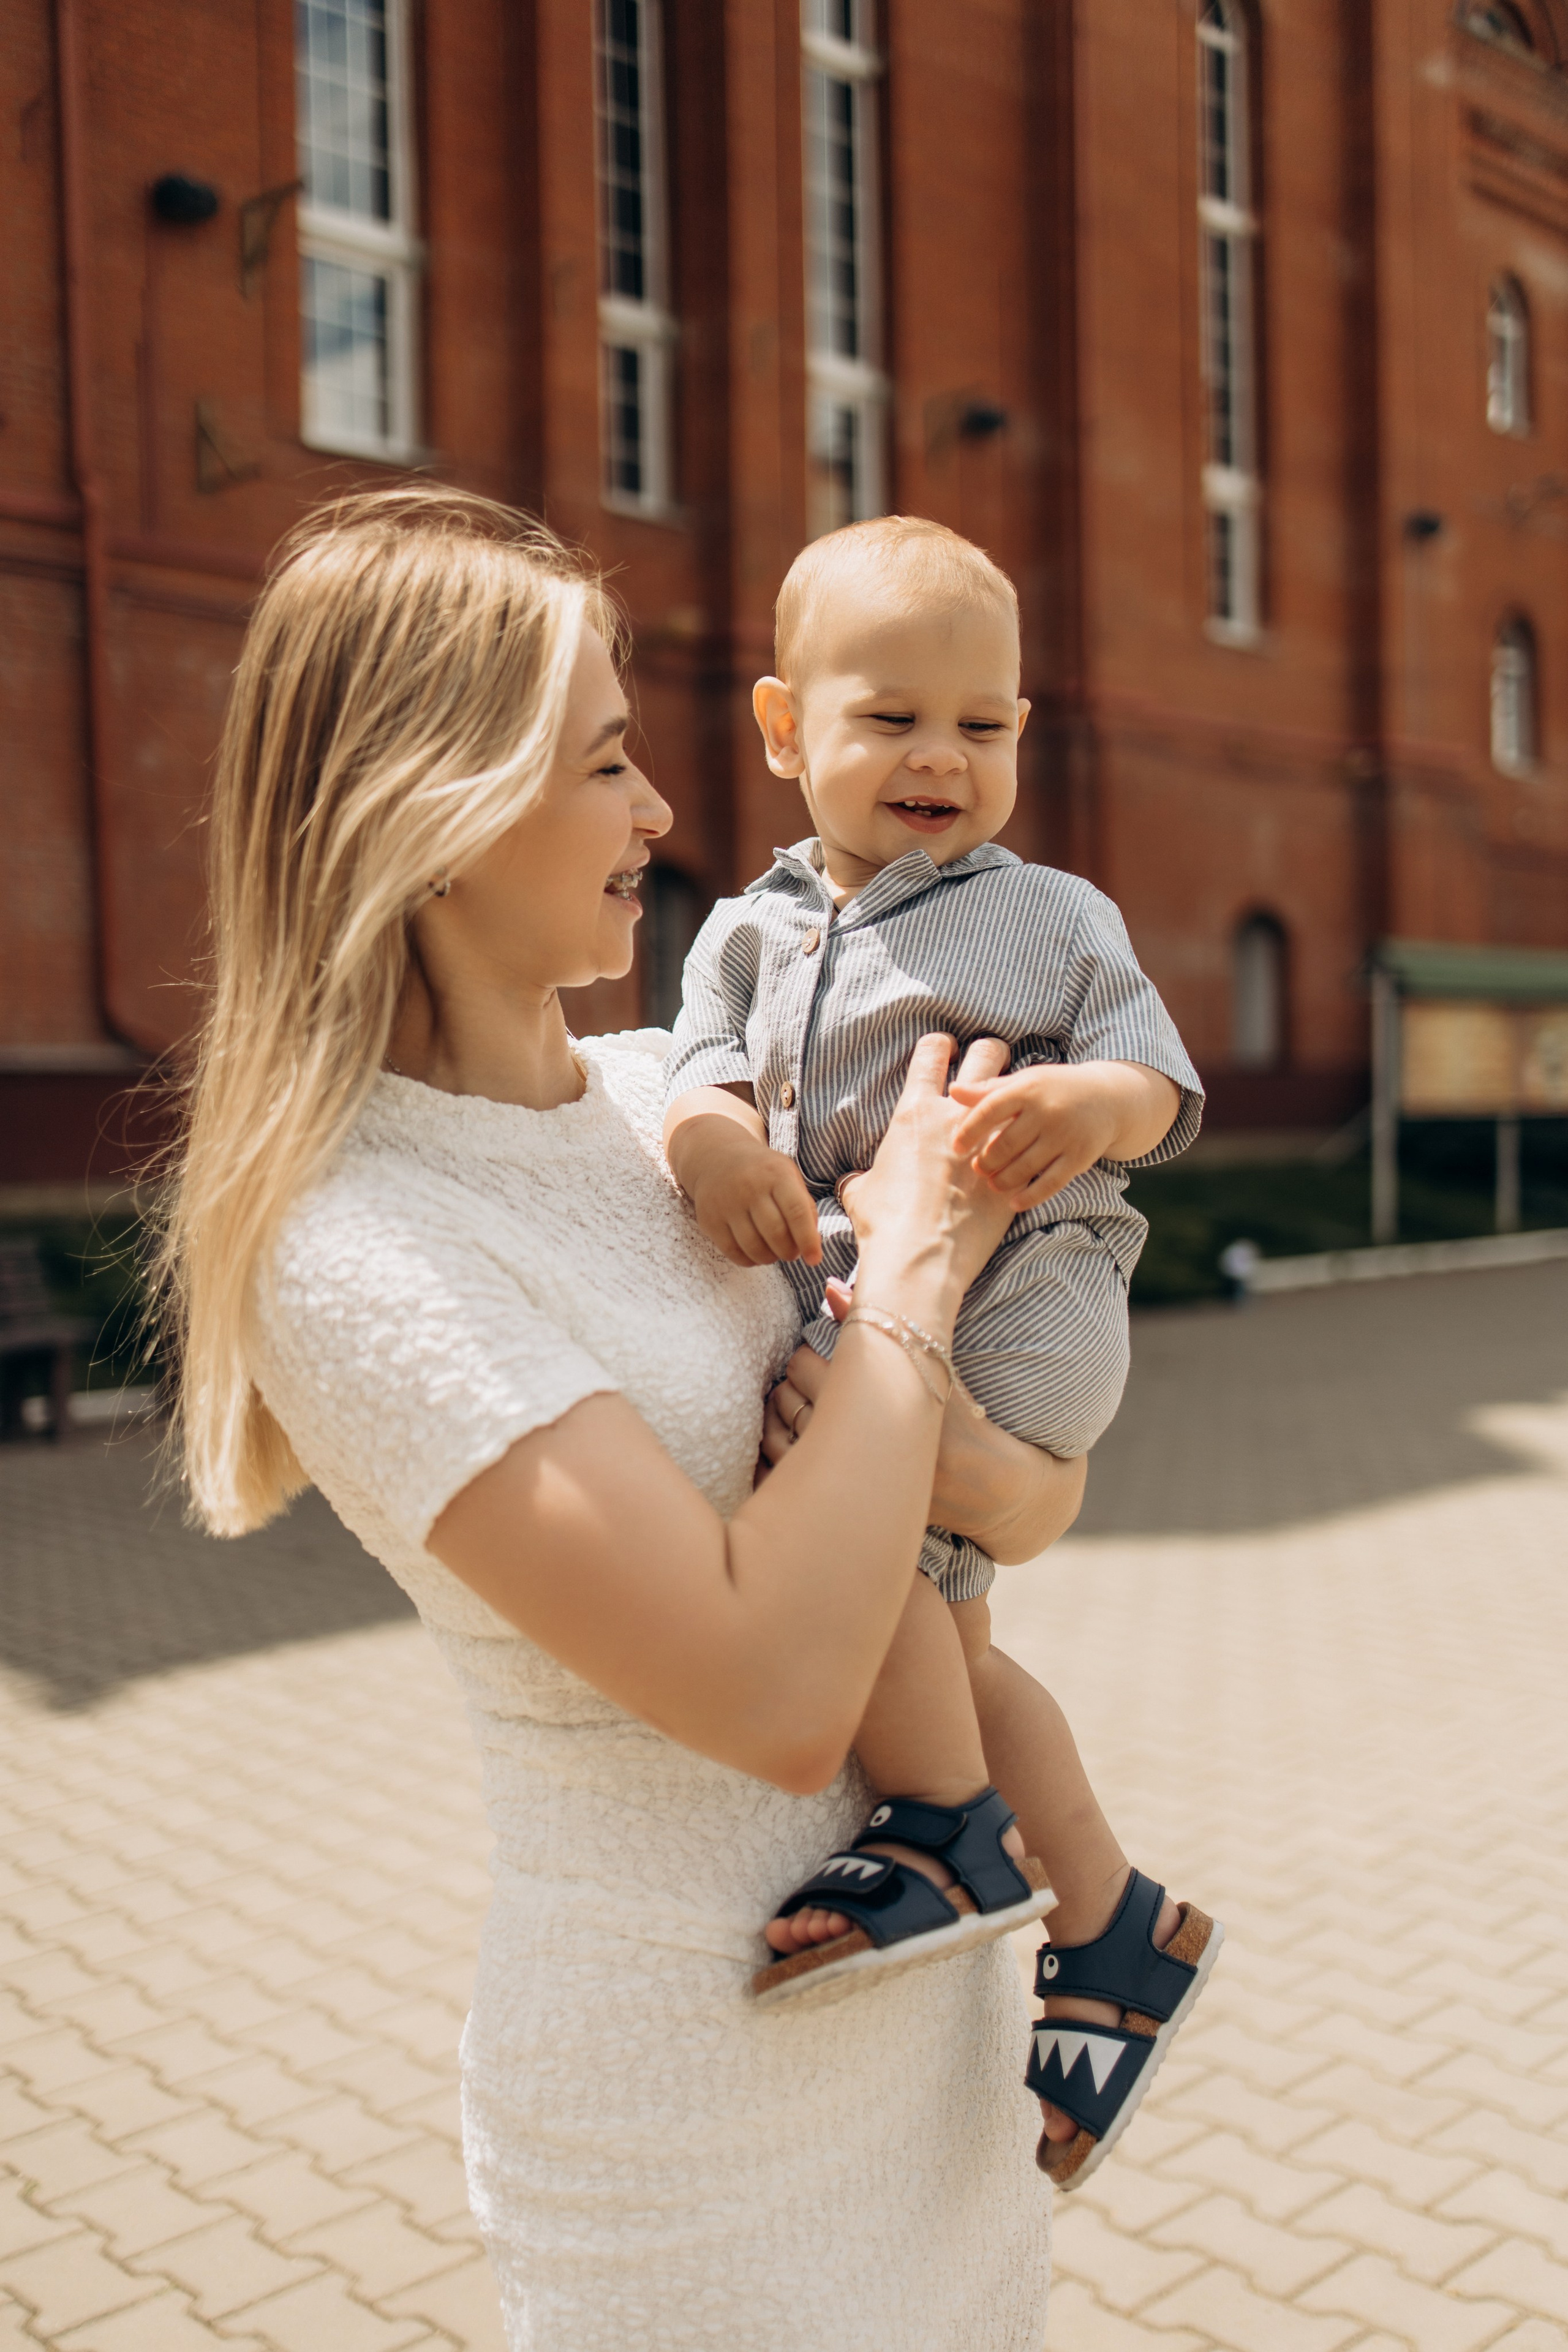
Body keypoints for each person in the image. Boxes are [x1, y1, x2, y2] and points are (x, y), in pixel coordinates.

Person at [153, 486, 1090, 2350]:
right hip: (696, 2105)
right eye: (602, 763)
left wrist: (980, 1436)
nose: (662, 814)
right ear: (432, 814)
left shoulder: (678, 1094)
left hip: (933, 2056)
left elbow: (1021, 1507)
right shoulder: (356, 1244)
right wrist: (909, 1267)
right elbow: (767, 1696)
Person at [663, 515, 1223, 2188]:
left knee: (864, 1524)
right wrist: (713, 1149)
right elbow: (700, 1071)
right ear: (782, 729)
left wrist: (1085, 1102)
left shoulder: (1050, 916)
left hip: (1029, 1306)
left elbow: (1162, 1085)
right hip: (884, 1313)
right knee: (954, 1649)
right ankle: (1117, 1923)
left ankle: (950, 1831)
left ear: (1023, 739)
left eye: (982, 728)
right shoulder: (745, 936)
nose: (940, 758)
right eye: (891, 716)